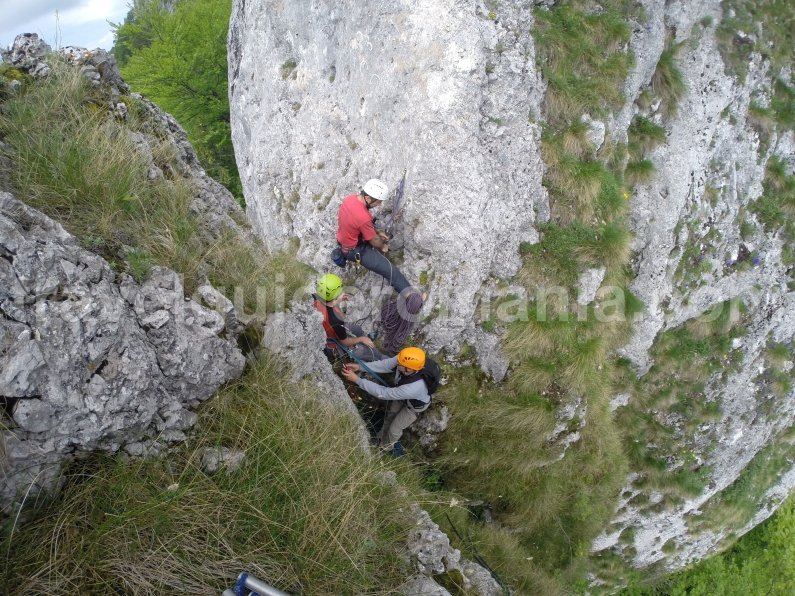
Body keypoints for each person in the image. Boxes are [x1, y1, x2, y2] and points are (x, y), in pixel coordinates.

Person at [341, 346, 440, 453]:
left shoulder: (413, 387)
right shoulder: (404, 358)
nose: (397, 363)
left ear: (409, 369)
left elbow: (383, 393)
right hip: (401, 395)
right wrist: (360, 367)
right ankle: (380, 437)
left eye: (400, 364)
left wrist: (358, 380)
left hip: (414, 407)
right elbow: (385, 365)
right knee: (389, 416)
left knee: (395, 429)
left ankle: (385, 447)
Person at [336, 178, 411, 294]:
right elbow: (375, 241)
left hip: (346, 240)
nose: (379, 205)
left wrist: (377, 231)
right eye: (378, 202)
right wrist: (383, 246)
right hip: (354, 250)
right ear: (368, 198)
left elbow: (358, 223)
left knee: (377, 231)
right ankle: (413, 298)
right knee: (391, 271)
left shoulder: (350, 198)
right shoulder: (363, 217)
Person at [313, 273, 385, 362]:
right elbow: (345, 342)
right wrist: (361, 339)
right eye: (341, 292)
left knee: (357, 329)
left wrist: (338, 300)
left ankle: (365, 341)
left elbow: (329, 305)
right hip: (333, 342)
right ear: (335, 296)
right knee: (365, 351)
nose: (343, 293)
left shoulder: (314, 297)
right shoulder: (336, 320)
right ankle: (381, 360)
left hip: (330, 329)